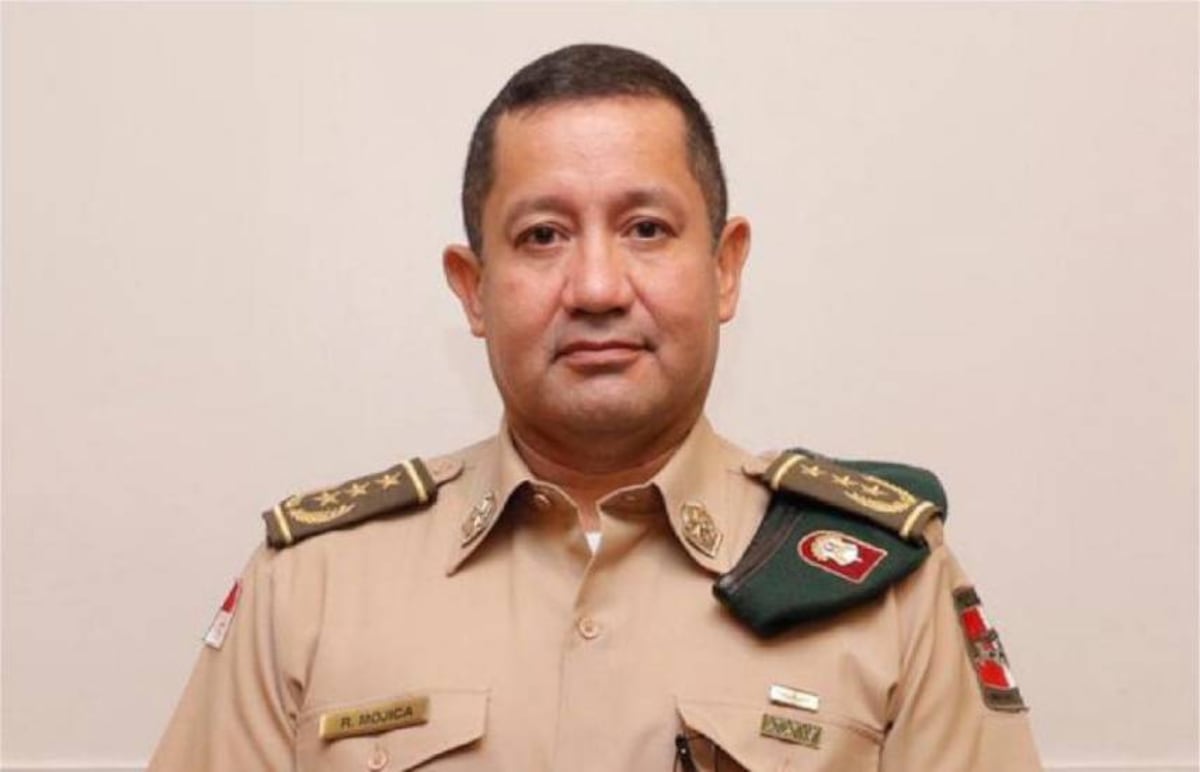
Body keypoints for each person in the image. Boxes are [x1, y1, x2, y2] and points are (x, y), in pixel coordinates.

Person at [149, 43, 1041, 770]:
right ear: (473, 288)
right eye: (543, 236)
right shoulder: (311, 586)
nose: (598, 287)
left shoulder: (888, 586)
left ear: (724, 268)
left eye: (646, 229)